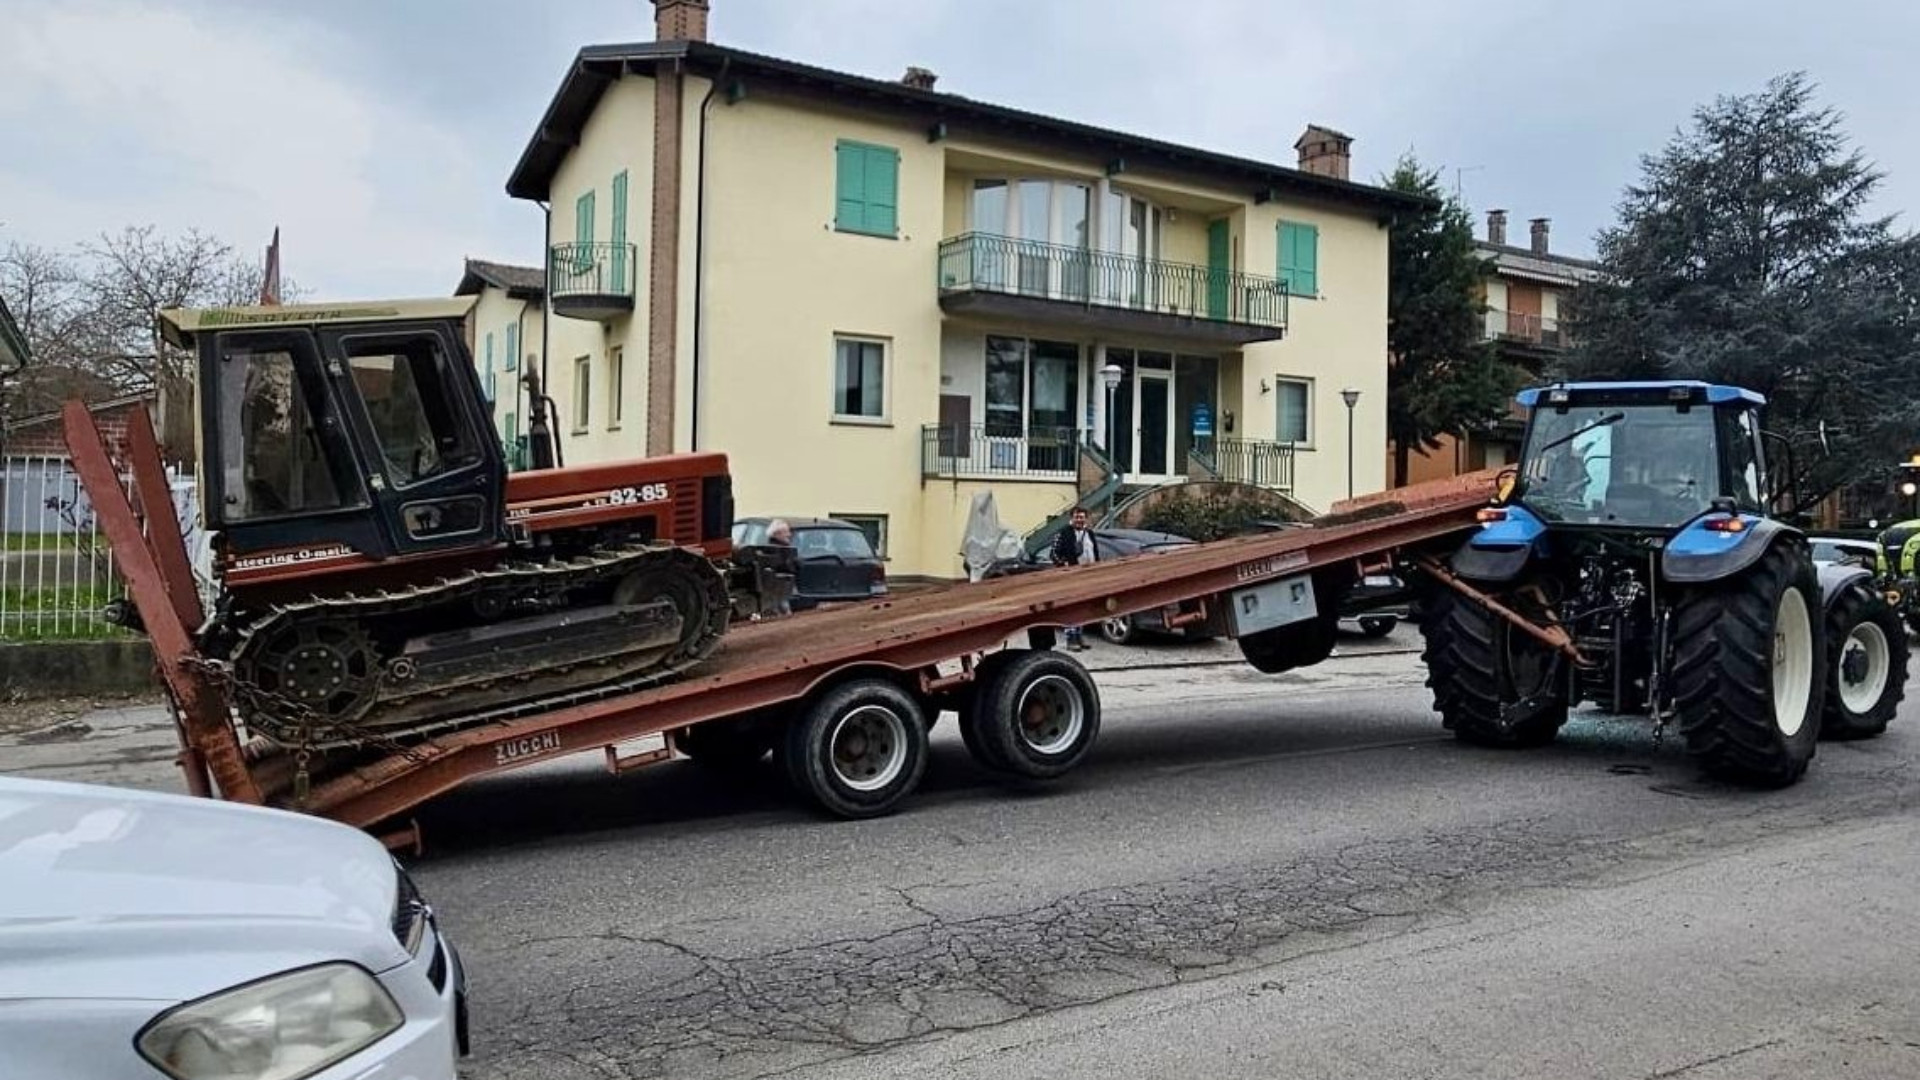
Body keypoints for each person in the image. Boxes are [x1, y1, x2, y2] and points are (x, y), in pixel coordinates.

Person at [1050, 507, 1098, 650]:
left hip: (1087, 576)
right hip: (1071, 577)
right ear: (1072, 518)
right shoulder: (1063, 533)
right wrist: (1065, 565)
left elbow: (1095, 553)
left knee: (1082, 608)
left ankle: (1079, 637)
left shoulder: (1089, 533)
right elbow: (1053, 554)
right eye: (1077, 517)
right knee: (1071, 608)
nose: (1079, 520)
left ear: (1086, 518)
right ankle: (1071, 639)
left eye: (1082, 517)